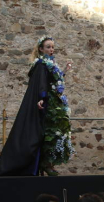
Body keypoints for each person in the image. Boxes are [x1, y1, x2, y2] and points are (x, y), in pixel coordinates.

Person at [0, 35, 73, 176]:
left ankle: (47, 163)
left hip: (53, 102)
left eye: (52, 47)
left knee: (52, 132)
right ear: (41, 49)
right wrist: (42, 98)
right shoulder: (41, 64)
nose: (51, 49)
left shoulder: (50, 64)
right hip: (46, 103)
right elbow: (41, 82)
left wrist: (63, 71)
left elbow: (53, 81)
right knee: (45, 132)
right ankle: (44, 165)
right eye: (48, 47)